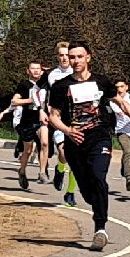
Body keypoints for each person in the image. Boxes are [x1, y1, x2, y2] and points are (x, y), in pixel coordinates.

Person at [46, 41, 130, 251]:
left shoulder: (101, 82)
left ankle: (100, 229)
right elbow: (53, 116)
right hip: (75, 141)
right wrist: (67, 131)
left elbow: (121, 103)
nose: (75, 61)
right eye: (72, 57)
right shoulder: (61, 86)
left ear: (88, 58)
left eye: (79, 57)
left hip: (99, 137)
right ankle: (97, 205)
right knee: (86, 190)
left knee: (98, 177)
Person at [0, 60, 46, 190]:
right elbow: (14, 100)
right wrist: (31, 100)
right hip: (27, 121)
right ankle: (22, 171)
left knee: (45, 144)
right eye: (33, 68)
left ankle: (42, 172)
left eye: (38, 68)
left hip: (41, 119)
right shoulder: (24, 85)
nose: (36, 71)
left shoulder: (46, 84)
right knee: (28, 150)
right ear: (28, 71)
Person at [40, 42, 75, 192]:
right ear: (57, 57)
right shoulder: (50, 74)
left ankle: (71, 192)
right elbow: (39, 91)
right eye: (61, 55)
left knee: (75, 158)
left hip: (78, 117)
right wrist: (42, 109)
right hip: (58, 118)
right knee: (63, 152)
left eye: (67, 55)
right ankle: (60, 168)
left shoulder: (79, 72)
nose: (64, 58)